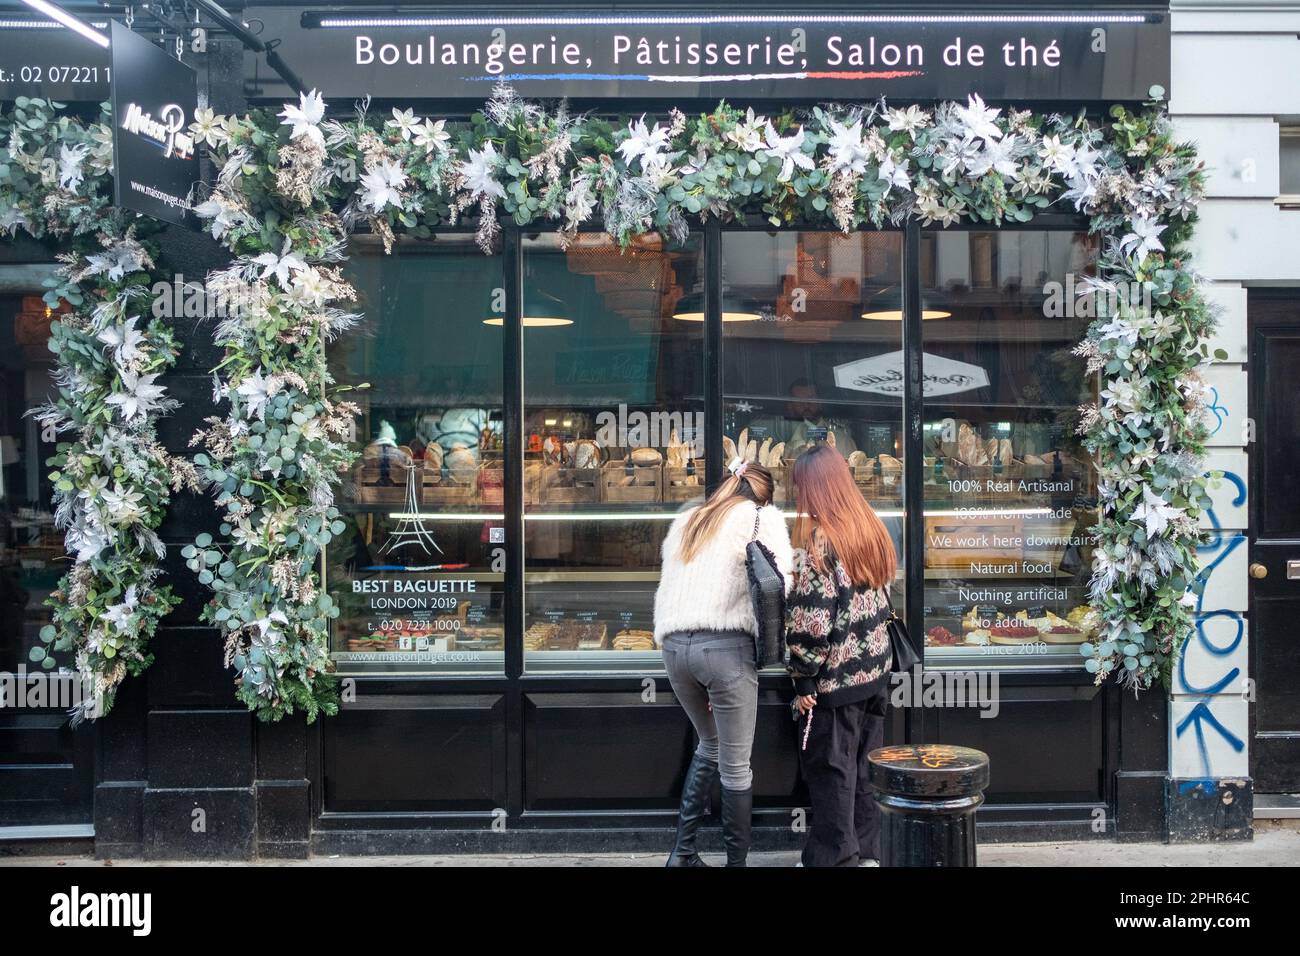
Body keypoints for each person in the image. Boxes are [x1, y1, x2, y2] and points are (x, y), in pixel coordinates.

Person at [654, 458, 793, 867]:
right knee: (735, 766)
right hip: (725, 648)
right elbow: (781, 582)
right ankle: (736, 864)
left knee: (709, 744)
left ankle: (682, 854)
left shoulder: (688, 519)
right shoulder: (760, 518)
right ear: (763, 496)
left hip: (675, 649)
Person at [786, 443, 897, 867]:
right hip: (873, 673)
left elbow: (813, 623)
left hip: (836, 681)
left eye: (801, 488)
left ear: (815, 489)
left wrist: (803, 678)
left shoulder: (821, 542)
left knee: (832, 773)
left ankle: (836, 859)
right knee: (864, 772)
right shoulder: (870, 527)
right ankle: (867, 853)